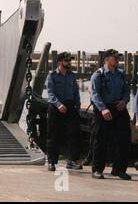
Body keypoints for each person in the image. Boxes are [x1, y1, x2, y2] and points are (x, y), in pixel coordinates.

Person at [90, 49, 132, 180]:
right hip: (103, 108)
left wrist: (124, 101)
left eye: (118, 57)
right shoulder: (98, 75)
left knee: (123, 139)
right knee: (101, 139)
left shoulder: (120, 74)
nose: (117, 60)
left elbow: (126, 90)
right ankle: (97, 169)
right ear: (106, 60)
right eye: (114, 58)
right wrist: (103, 109)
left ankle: (119, 170)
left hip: (119, 107)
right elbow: (94, 94)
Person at [46, 52, 83, 172]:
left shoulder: (72, 76)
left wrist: (78, 105)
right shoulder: (52, 76)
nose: (69, 63)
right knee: (54, 135)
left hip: (70, 105)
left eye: (70, 61)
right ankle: (52, 161)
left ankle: (72, 160)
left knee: (74, 133)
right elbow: (50, 93)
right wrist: (58, 104)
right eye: (67, 61)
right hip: (56, 107)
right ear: (59, 62)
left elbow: (75, 91)